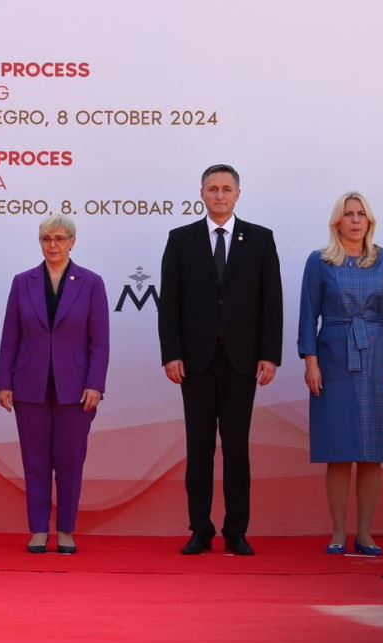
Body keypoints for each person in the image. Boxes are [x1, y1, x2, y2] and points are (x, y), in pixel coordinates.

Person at [158, 164, 282, 556]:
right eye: (213, 188)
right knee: (199, 450)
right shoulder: (181, 239)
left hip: (242, 362)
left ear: (238, 194)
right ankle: (200, 528)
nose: (220, 195)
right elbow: (169, 303)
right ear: (201, 194)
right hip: (195, 363)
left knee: (237, 449)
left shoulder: (260, 239)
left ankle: (236, 530)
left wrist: (270, 355)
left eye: (227, 189)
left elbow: (272, 301)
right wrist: (171, 354)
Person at [297, 192, 383, 556]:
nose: (355, 220)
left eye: (361, 214)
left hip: (377, 354)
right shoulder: (319, 261)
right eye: (348, 214)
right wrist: (310, 361)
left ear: (370, 221)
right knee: (338, 448)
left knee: (371, 451)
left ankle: (365, 534)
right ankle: (337, 532)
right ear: (337, 221)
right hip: (333, 355)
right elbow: (307, 314)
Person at [0, 215, 109, 554]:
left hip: (75, 389)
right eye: (47, 238)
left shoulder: (91, 283)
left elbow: (99, 341)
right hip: (29, 385)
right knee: (35, 461)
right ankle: (38, 530)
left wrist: (95, 384)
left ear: (73, 242)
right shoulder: (22, 282)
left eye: (60, 238)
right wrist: (4, 382)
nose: (53, 244)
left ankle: (66, 530)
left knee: (70, 462)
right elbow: (10, 336)